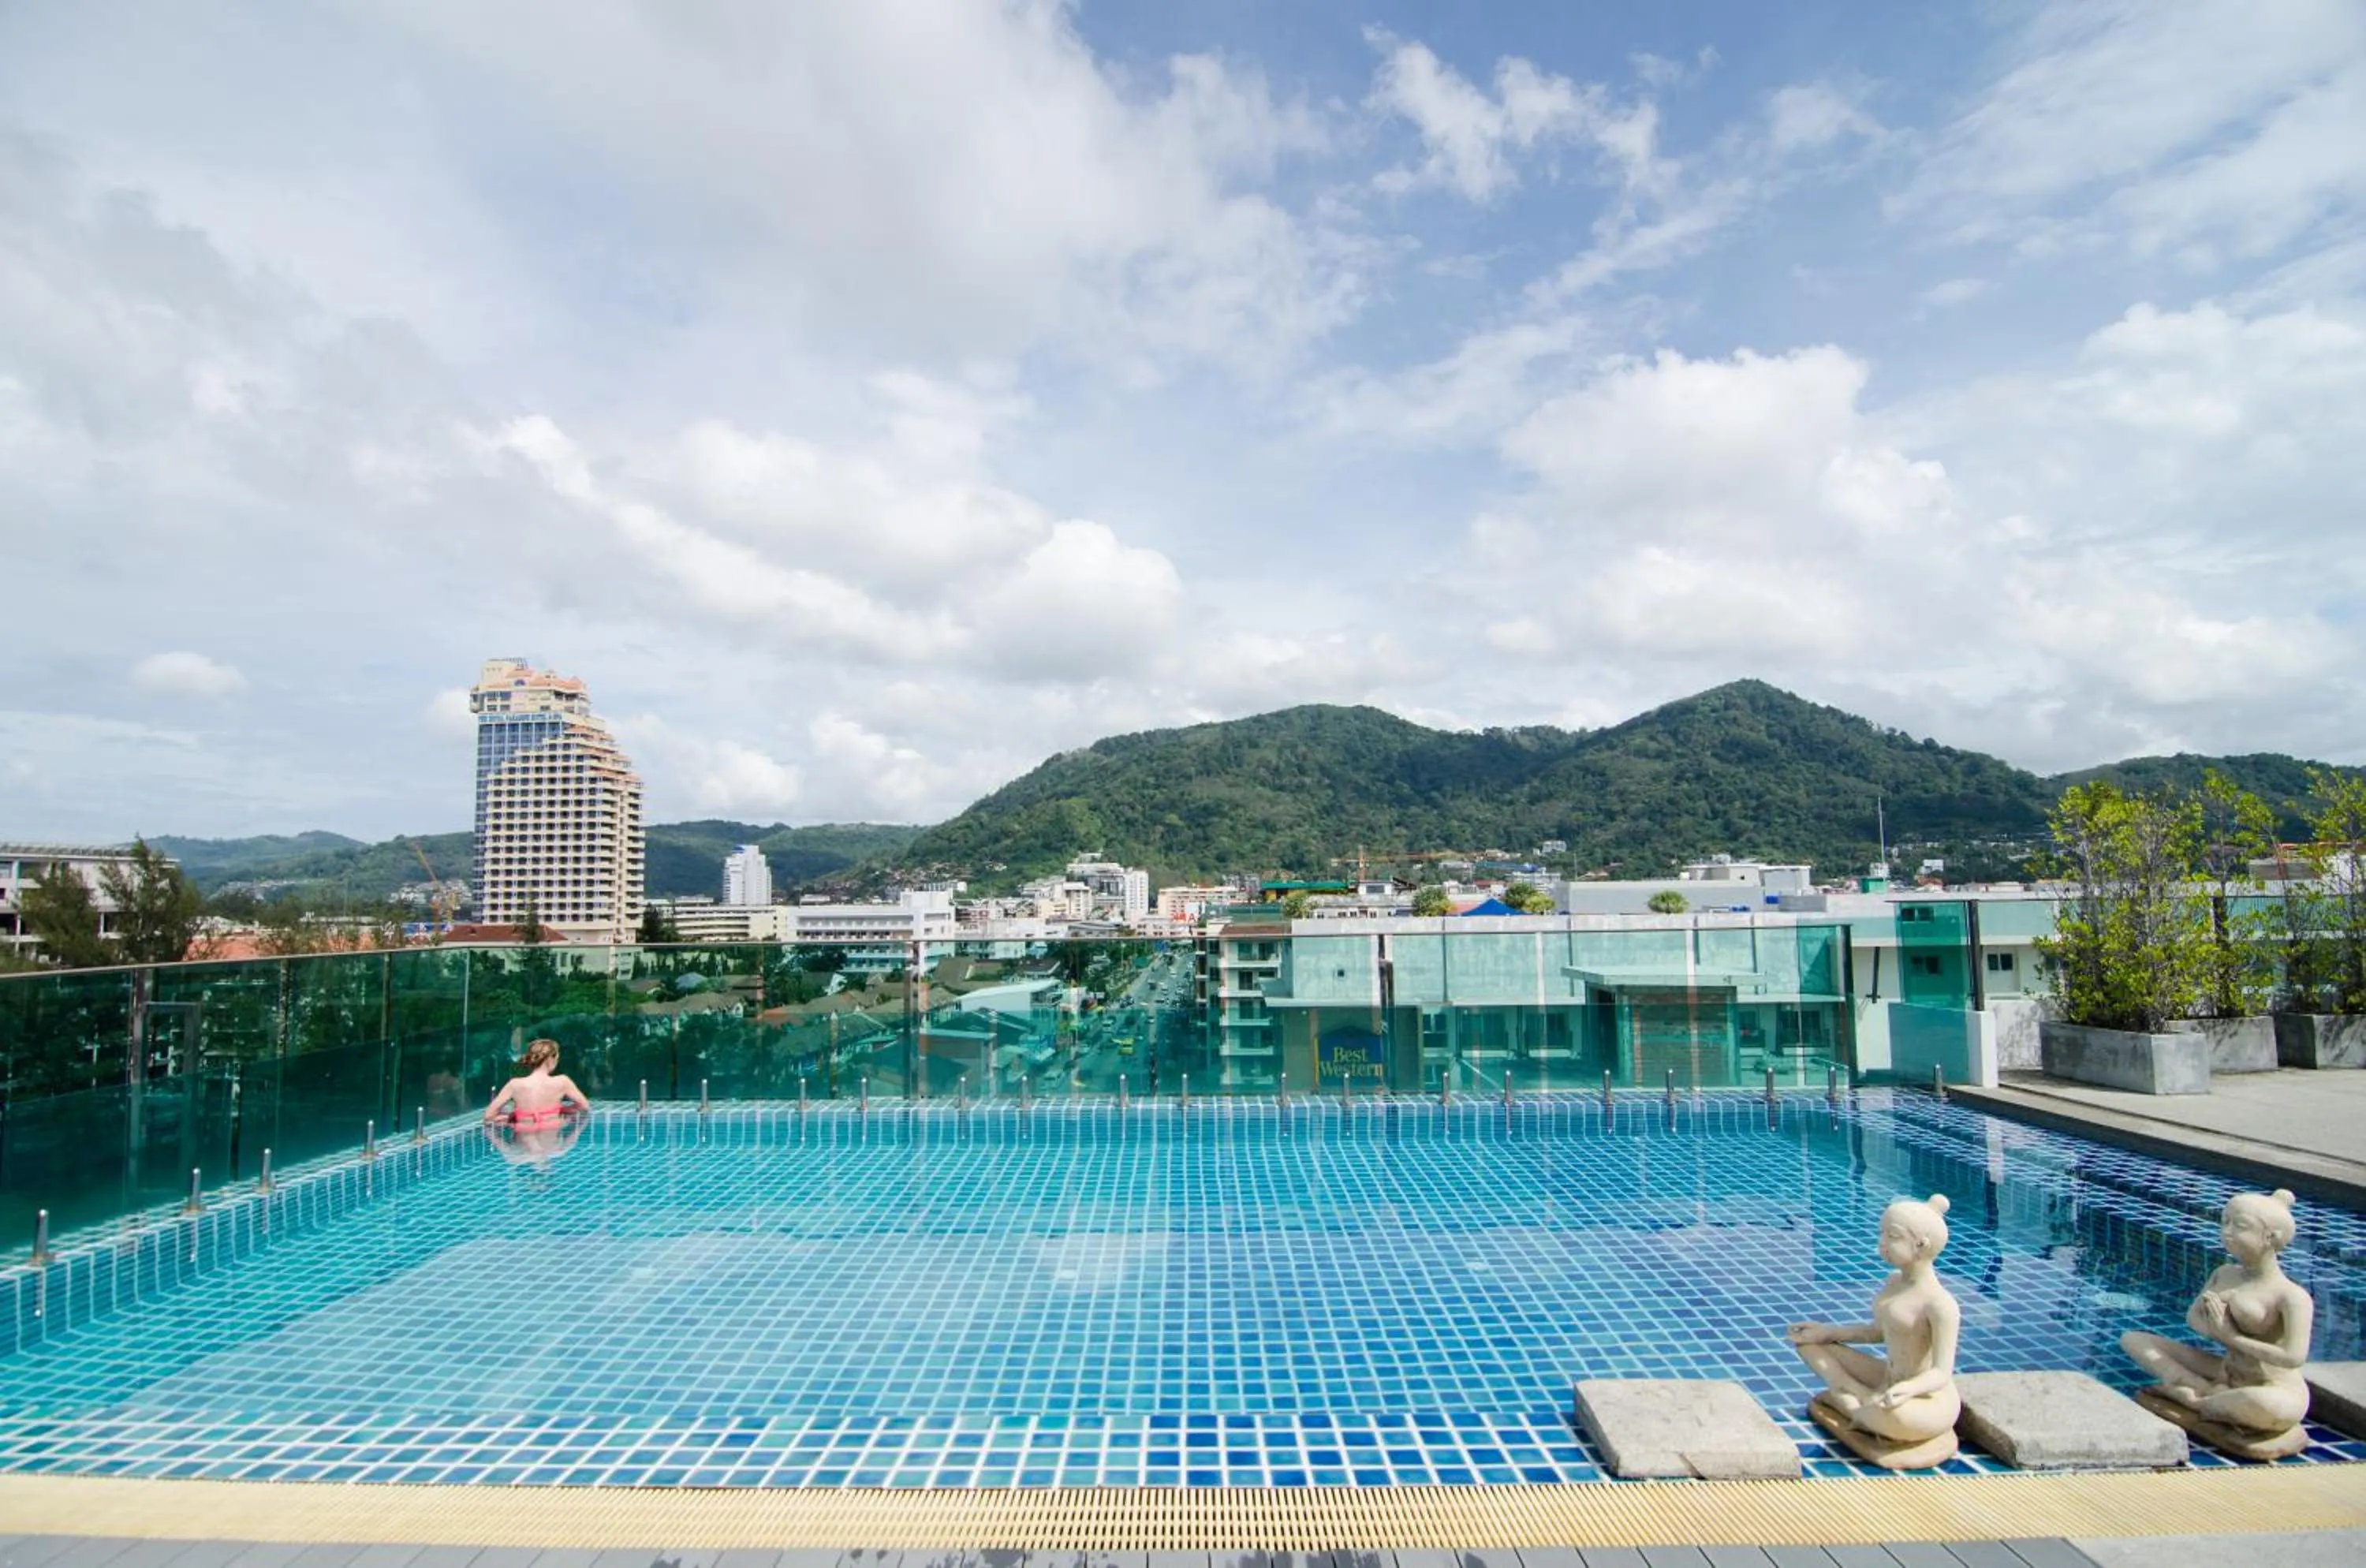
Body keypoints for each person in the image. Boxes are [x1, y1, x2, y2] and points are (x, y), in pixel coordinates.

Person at [2122, 1189, 2313, 1439]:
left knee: (2272, 1408)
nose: (2227, 1232)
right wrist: (2215, 1327)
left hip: (2271, 1385)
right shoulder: (2225, 1274)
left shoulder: (2291, 1296)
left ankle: (2196, 1400)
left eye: (2240, 1226)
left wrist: (2231, 1337)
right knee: (2135, 1340)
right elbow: (2193, 1318)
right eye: (2225, 1222)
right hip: (2226, 1370)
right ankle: (2206, 1391)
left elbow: (2293, 1357)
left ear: (2271, 1237)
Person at [1789, 1193, 1962, 1465]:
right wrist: (1829, 1333)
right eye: (1882, 1233)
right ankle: (1848, 1392)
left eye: (1892, 1236)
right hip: (1889, 1379)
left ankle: (1853, 1405)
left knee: (1898, 1416)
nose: (1881, 1243)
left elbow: (1941, 1373)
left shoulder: (1940, 1305)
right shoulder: (1894, 1283)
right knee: (1809, 1345)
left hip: (1927, 1399)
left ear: (1921, 1244)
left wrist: (1908, 1390)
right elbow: (1877, 1333)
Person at [482, 1038, 591, 1163]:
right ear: (551, 1059)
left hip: (523, 1131)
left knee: (513, 1157)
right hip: (551, 1131)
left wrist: (510, 1118)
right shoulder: (562, 1082)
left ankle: (533, 1157)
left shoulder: (515, 1084)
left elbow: (488, 1117)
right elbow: (584, 1107)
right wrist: (563, 1110)